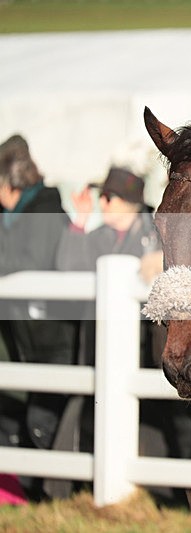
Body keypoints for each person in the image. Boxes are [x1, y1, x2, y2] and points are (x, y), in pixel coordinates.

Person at [0, 134, 77, 500]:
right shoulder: (10, 217)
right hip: (22, 337)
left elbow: (32, 263)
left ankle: (48, 497)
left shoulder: (46, 209)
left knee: (43, 420)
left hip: (53, 337)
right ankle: (25, 494)